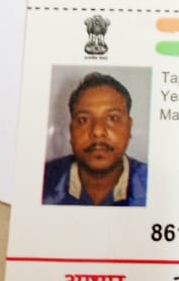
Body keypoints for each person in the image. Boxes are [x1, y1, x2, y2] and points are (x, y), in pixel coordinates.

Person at [42, 72, 147, 206]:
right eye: (83, 119)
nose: (97, 131)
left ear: (129, 127)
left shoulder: (153, 185)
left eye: (113, 118)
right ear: (71, 130)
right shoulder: (42, 180)